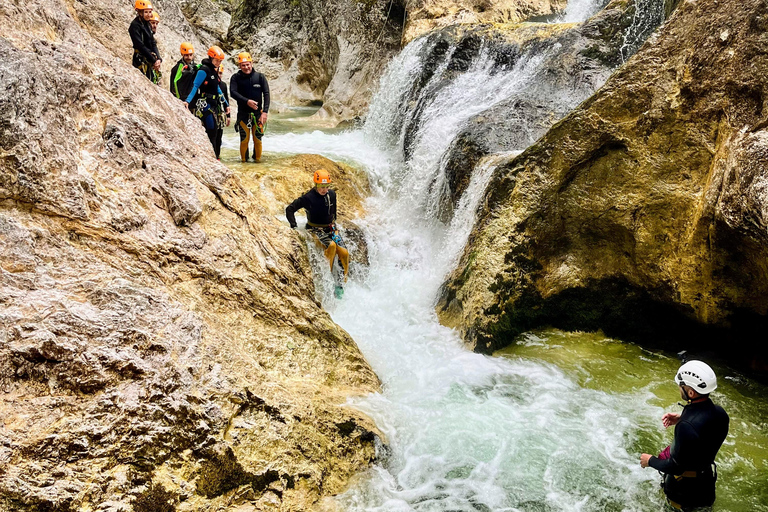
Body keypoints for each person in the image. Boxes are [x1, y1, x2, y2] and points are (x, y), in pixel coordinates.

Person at [640, 360, 730, 511]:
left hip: (683, 494)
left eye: (681, 386)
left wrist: (650, 461)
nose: (679, 389)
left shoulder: (686, 427)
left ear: (691, 393)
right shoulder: (720, 413)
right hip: (706, 486)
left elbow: (676, 467)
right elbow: (703, 434)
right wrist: (682, 418)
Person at [285, 170, 349, 297]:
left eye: (326, 186)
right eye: (321, 187)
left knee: (344, 252)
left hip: (330, 228)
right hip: (314, 229)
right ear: (316, 185)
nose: (324, 190)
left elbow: (333, 212)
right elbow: (290, 209)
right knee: (331, 246)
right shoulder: (308, 198)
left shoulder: (332, 194)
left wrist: (335, 226)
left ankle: (340, 284)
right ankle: (328, 282)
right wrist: (294, 226)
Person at [183, 46, 231, 160]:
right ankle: (211, 158)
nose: (218, 63)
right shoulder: (203, 70)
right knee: (211, 132)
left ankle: (214, 157)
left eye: (220, 61)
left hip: (214, 104)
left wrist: (226, 105)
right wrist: (187, 101)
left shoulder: (213, 71)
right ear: (210, 58)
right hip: (205, 106)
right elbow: (195, 86)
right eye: (217, 60)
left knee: (215, 132)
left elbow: (217, 89)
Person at [229, 52, 270, 163]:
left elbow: (266, 94)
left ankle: (257, 163)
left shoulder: (260, 77)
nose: (246, 67)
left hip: (258, 114)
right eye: (243, 65)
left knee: (258, 140)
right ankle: (244, 163)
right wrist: (246, 101)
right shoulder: (235, 78)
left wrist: (265, 112)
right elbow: (232, 92)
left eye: (248, 64)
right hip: (243, 114)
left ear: (252, 63)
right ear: (239, 66)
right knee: (244, 140)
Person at [129, 0, 161, 83]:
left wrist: (158, 59)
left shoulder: (147, 24)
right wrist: (154, 60)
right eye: (146, 12)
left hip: (149, 59)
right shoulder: (135, 26)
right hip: (140, 60)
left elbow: (153, 42)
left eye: (150, 12)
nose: (149, 15)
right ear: (139, 12)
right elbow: (140, 45)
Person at [215, 64, 230, 161]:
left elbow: (226, 101)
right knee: (212, 134)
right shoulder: (208, 83)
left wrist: (228, 116)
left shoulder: (223, 85)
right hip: (211, 110)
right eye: (218, 73)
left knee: (219, 135)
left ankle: (218, 155)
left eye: (220, 73)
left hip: (220, 112)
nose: (219, 75)